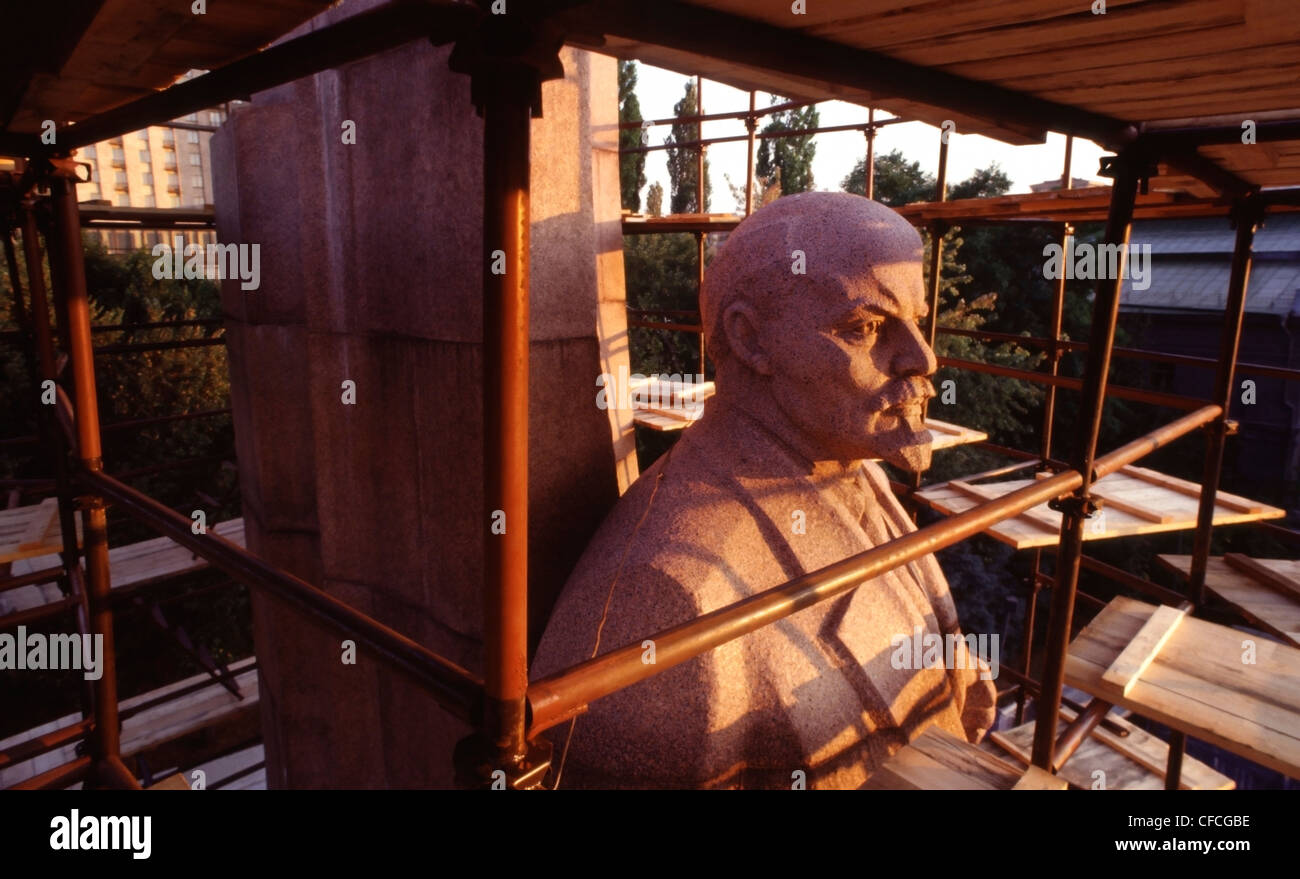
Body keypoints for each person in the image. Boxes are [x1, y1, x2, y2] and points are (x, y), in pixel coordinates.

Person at [533, 191, 997, 789]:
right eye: (865, 328)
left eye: (918, 321)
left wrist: (949, 675)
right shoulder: (672, 591)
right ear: (751, 341)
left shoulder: (854, 467)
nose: (923, 359)